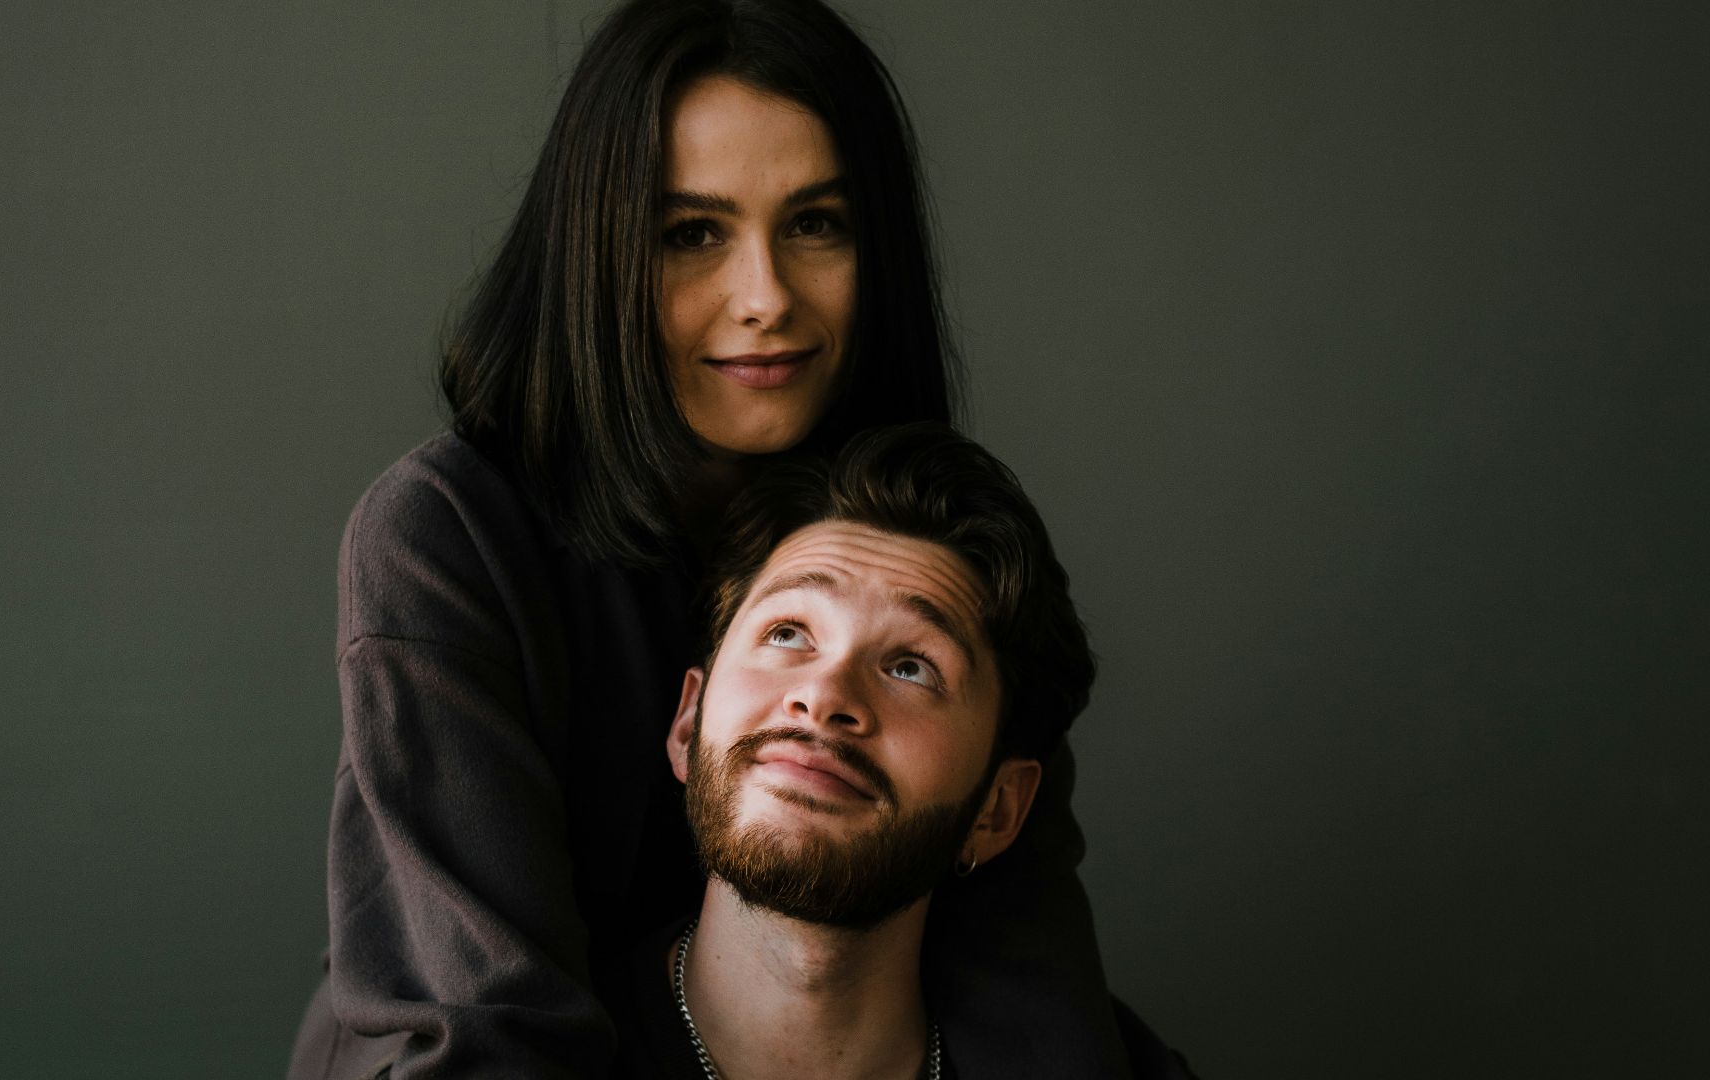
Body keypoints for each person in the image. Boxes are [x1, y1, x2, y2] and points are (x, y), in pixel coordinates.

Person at [286, 2, 1129, 1077]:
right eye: (692, 234)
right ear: (601, 254)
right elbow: (486, 1019)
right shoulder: (448, 537)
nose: (765, 298)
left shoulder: (922, 539)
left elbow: (1024, 966)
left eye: (817, 223)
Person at [609, 424, 1195, 1079]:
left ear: (997, 810)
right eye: (786, 632)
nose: (824, 694)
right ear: (688, 722)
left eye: (911, 667)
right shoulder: (527, 1049)